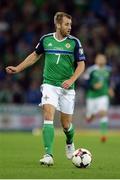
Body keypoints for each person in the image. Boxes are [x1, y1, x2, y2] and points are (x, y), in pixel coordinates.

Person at [6, 12, 85, 166]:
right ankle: (48, 154)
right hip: (49, 85)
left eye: (70, 24)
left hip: (67, 88)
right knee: (48, 115)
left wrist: (71, 80)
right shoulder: (46, 40)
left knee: (66, 125)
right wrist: (18, 68)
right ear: (58, 24)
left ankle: (70, 142)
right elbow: (35, 56)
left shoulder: (74, 42)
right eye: (66, 24)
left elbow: (81, 64)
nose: (69, 27)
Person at [83, 54, 114, 142]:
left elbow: (110, 81)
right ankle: (91, 116)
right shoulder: (91, 70)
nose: (101, 60)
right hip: (91, 96)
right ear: (95, 60)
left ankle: (103, 135)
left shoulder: (109, 70)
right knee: (89, 118)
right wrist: (93, 86)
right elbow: (85, 82)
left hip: (103, 95)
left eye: (103, 58)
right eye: (99, 58)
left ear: (105, 60)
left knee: (103, 112)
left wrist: (110, 89)